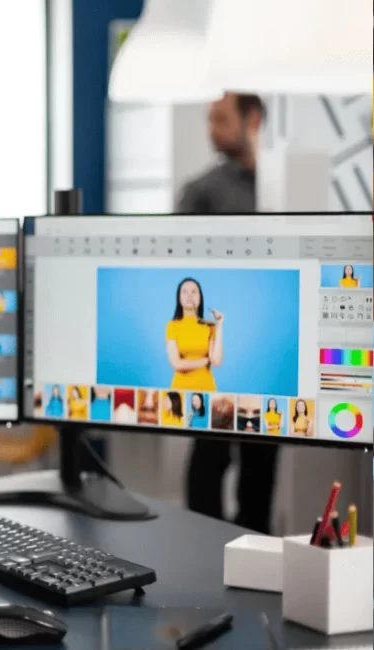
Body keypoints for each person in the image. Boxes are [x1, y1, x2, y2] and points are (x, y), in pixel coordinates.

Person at [179, 92, 278, 535]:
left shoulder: (279, 187)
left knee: (262, 458)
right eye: (209, 119)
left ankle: (254, 547)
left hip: (264, 343)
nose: (212, 130)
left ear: (252, 120)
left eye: (220, 119)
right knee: (209, 453)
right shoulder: (201, 191)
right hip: (214, 347)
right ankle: (203, 541)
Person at [166, 278, 223, 391]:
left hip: (206, 387)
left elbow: (216, 361)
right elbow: (176, 364)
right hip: (180, 388)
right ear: (179, 297)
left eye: (194, 292)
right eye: (185, 291)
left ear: (200, 297)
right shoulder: (172, 326)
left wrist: (219, 325)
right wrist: (205, 361)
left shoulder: (209, 326)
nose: (189, 295)